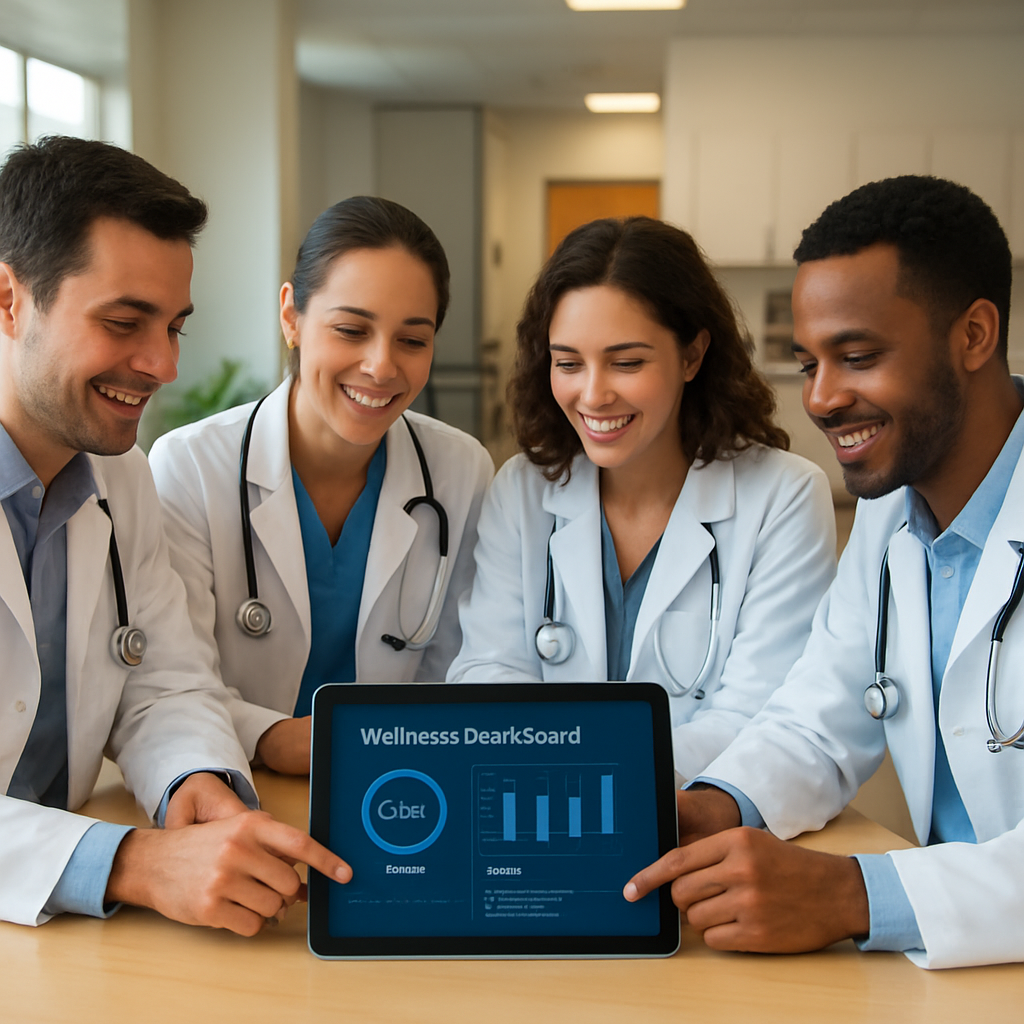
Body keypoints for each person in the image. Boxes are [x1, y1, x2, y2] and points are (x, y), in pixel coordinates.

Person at [624, 175, 1024, 970]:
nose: (822, 397)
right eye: (808, 362)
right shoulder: (892, 510)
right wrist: (714, 806)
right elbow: (819, 714)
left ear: (974, 335)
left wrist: (856, 895)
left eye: (859, 357)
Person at [0, 136, 350, 932]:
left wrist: (196, 781)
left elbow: (164, 680)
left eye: (173, 326)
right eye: (125, 322)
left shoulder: (119, 476)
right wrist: (129, 861)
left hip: (62, 935)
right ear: (10, 299)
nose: (161, 365)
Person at [447, 217, 836, 779]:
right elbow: (489, 672)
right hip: (539, 809)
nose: (594, 394)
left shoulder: (783, 497)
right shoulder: (523, 491)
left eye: (627, 362)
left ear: (692, 355)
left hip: (693, 818)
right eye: (568, 362)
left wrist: (600, 774)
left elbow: (758, 711)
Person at [148, 197, 493, 775]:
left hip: (407, 779)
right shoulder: (191, 467)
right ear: (291, 316)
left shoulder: (461, 471)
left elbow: (458, 669)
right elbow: (169, 680)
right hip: (234, 779)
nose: (381, 367)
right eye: (351, 329)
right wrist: (269, 736)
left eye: (413, 340)